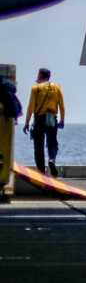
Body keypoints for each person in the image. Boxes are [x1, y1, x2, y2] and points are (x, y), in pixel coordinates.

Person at [23, 67, 64, 176]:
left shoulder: (35, 88)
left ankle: (41, 171)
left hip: (39, 119)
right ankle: (51, 160)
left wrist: (27, 122)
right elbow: (62, 106)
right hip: (52, 118)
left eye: (38, 74)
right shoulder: (56, 87)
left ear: (41, 76)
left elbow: (30, 107)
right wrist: (62, 120)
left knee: (38, 146)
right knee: (52, 143)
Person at [0, 72, 21, 203]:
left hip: (3, 120)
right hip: (7, 123)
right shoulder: (8, 91)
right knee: (5, 155)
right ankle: (3, 183)